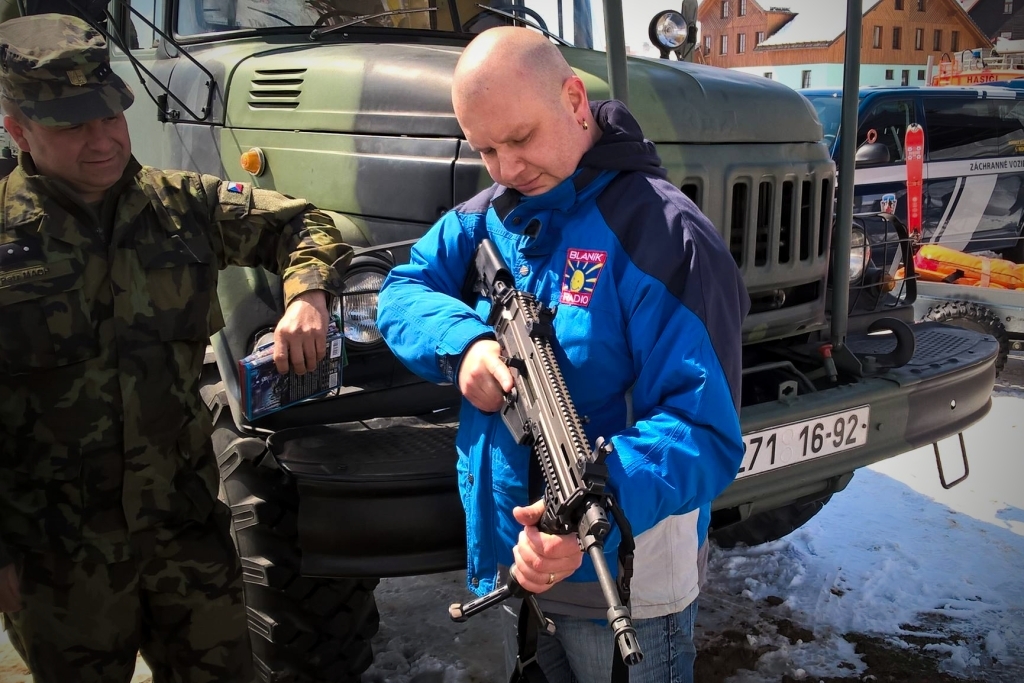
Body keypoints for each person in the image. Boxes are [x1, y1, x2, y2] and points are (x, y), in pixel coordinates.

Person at [377, 26, 749, 683]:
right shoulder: (493, 213)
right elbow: (403, 289)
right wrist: (465, 345)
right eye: (486, 150)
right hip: (515, 565)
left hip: (625, 583)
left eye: (520, 139)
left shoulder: (665, 237)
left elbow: (705, 430)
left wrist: (592, 508)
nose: (506, 169)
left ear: (575, 101)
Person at [0, 13, 353, 682]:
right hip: (59, 561)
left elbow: (304, 222)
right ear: (18, 129)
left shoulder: (181, 206)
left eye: (110, 116)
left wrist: (307, 295)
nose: (102, 139)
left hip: (185, 536)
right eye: (72, 126)